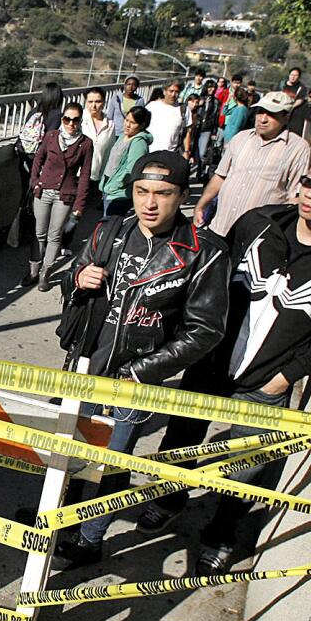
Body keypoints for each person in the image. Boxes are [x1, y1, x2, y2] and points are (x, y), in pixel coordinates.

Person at [135, 143, 311, 571]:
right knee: (179, 441)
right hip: (210, 364)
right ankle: (169, 498)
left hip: (266, 385)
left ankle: (219, 535)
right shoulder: (258, 223)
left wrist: (285, 378)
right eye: (307, 181)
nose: (309, 193)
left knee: (247, 470)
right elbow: (208, 283)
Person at [51, 151, 230, 569]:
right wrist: (78, 278)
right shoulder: (110, 231)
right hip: (84, 366)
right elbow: (68, 279)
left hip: (134, 380)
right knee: (70, 452)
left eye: (163, 193)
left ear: (183, 195)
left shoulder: (204, 252)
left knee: (111, 463)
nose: (149, 203)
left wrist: (140, 373)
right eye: (141, 191)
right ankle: (60, 523)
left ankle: (89, 539)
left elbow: (205, 330)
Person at [195, 91, 311, 238]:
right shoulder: (241, 138)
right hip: (219, 227)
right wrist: (201, 205)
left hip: (255, 237)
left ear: (286, 117)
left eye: (271, 114)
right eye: (260, 112)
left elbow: (295, 196)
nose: (263, 119)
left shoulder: (298, 148)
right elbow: (220, 176)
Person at [25, 101, 93, 291]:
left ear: (81, 121)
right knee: (39, 233)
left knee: (55, 236)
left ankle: (45, 275)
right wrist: (34, 181)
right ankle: (33, 271)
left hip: (65, 194)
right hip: (43, 190)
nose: (71, 124)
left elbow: (85, 175)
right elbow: (39, 158)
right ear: (62, 119)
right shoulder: (51, 136)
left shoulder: (86, 144)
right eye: (67, 119)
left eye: (75, 120)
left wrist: (79, 204)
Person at [67, 86, 119, 253]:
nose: (94, 106)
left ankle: (66, 242)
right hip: (73, 173)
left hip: (93, 175)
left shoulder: (109, 124)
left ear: (104, 103)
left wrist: (105, 176)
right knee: (65, 209)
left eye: (98, 102)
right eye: (90, 102)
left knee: (78, 211)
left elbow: (108, 152)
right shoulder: (77, 120)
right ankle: (57, 241)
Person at [11, 83, 63, 247]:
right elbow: (51, 141)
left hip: (24, 158)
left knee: (25, 195)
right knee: (38, 198)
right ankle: (32, 235)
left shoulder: (33, 112)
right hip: (40, 163)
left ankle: (19, 233)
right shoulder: (57, 115)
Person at [98, 106, 153, 218]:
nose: (127, 125)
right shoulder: (123, 136)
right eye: (126, 120)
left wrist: (117, 184)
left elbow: (133, 169)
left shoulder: (138, 142)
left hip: (119, 193)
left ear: (142, 125)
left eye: (132, 123)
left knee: (110, 226)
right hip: (109, 188)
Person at [145, 80, 183, 152]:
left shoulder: (183, 110)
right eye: (171, 91)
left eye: (176, 92)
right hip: (149, 151)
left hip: (169, 153)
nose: (173, 95)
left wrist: (186, 151)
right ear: (164, 91)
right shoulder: (152, 106)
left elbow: (187, 132)